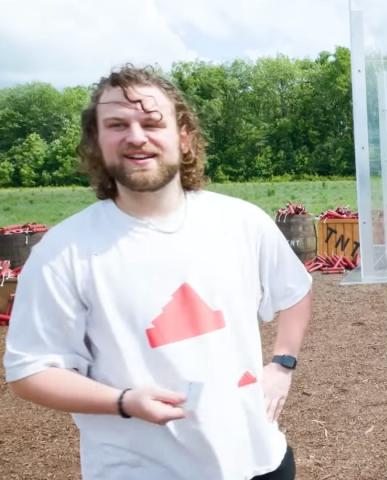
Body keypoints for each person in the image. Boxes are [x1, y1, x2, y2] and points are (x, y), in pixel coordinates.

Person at [3, 65, 313, 480]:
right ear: (97, 141)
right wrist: (124, 401)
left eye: (152, 122)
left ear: (182, 136)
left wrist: (282, 365)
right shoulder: (64, 251)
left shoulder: (240, 221)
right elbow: (30, 372)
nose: (136, 135)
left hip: (260, 462)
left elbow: (294, 290)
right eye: (117, 124)